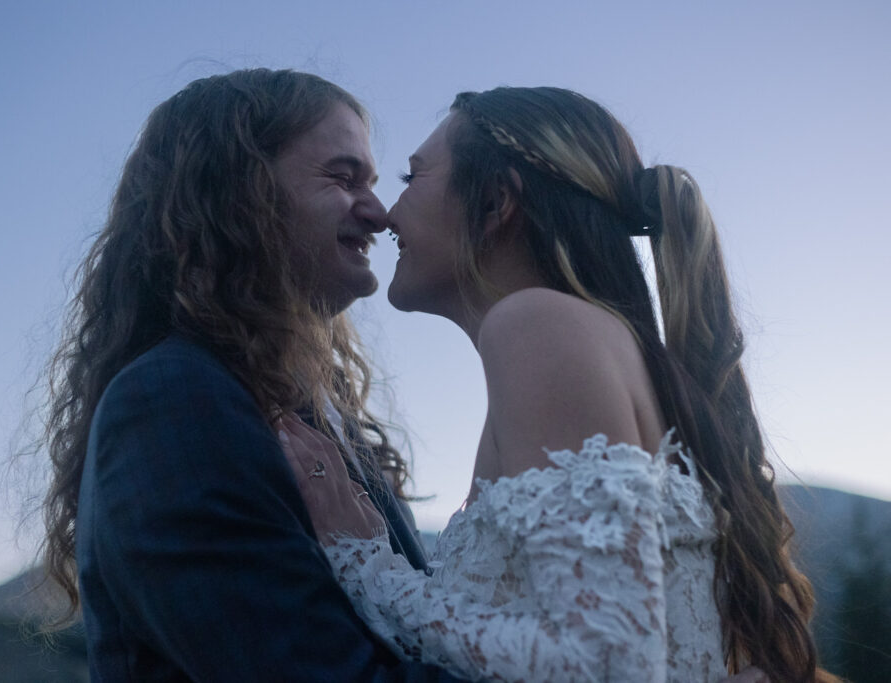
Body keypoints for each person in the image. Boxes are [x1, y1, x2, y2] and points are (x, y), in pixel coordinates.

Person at [280, 87, 829, 682]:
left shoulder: (536, 324)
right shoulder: (598, 346)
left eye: (412, 177)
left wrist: (368, 568)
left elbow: (604, 663)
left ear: (496, 202)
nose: (388, 212)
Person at [38, 68, 468, 681]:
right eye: (344, 179)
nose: (378, 212)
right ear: (237, 192)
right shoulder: (172, 401)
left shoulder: (309, 408)